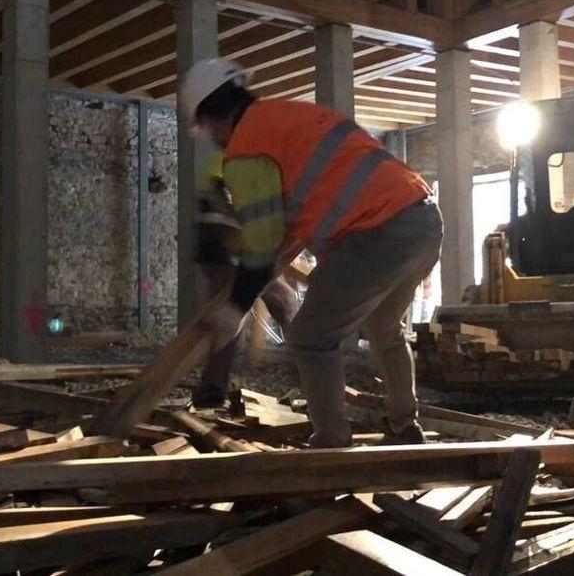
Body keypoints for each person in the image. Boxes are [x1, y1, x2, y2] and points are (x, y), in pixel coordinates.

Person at [179, 58, 443, 447]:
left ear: (211, 116)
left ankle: (331, 441)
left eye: (205, 128)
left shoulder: (246, 148)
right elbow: (297, 223)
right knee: (384, 327)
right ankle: (405, 426)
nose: (212, 138)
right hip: (423, 221)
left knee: (310, 336)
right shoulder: (287, 115)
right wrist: (253, 285)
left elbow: (262, 242)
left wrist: (235, 307)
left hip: (377, 233)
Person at [191, 149, 300, 408]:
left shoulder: (238, 159)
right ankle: (212, 389)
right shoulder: (238, 161)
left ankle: (213, 388)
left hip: (225, 246)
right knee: (244, 313)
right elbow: (221, 202)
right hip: (222, 247)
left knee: (274, 303)